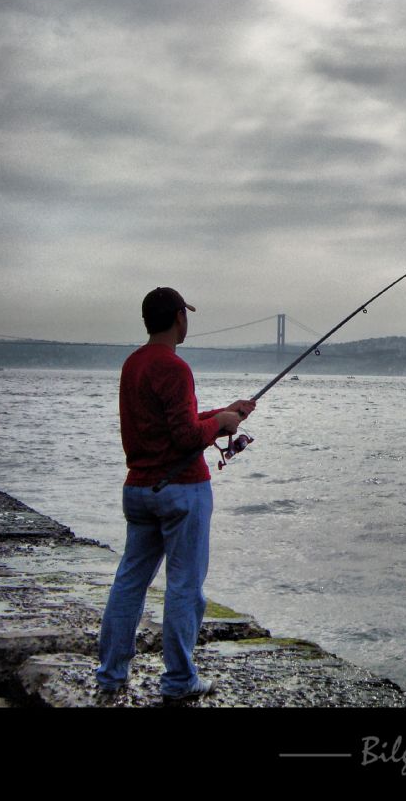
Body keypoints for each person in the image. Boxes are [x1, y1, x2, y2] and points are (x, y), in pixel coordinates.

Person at [95, 287, 256, 703]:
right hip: (182, 491)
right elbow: (185, 437)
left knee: (129, 582)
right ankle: (180, 679)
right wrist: (219, 422)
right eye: (187, 314)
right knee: (185, 586)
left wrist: (223, 414)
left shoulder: (133, 364)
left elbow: (173, 425)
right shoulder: (175, 367)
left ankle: (111, 673)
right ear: (179, 317)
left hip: (139, 489)